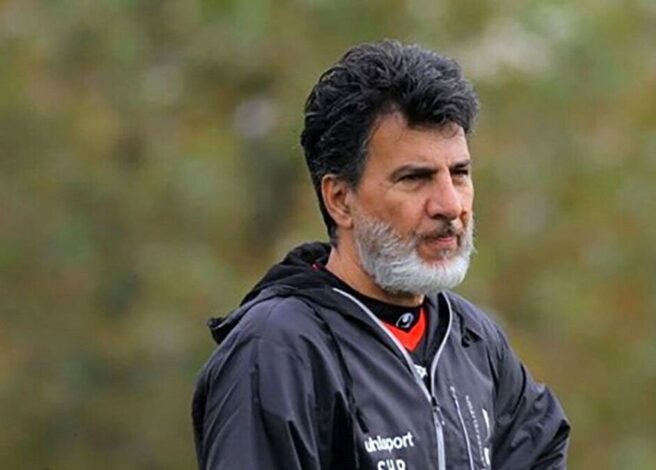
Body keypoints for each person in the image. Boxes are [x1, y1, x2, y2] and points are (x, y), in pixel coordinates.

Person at [192, 39, 570, 470]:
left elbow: (540, 450)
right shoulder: (277, 351)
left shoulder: (474, 340)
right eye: (415, 178)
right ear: (340, 199)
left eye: (459, 173)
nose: (450, 205)